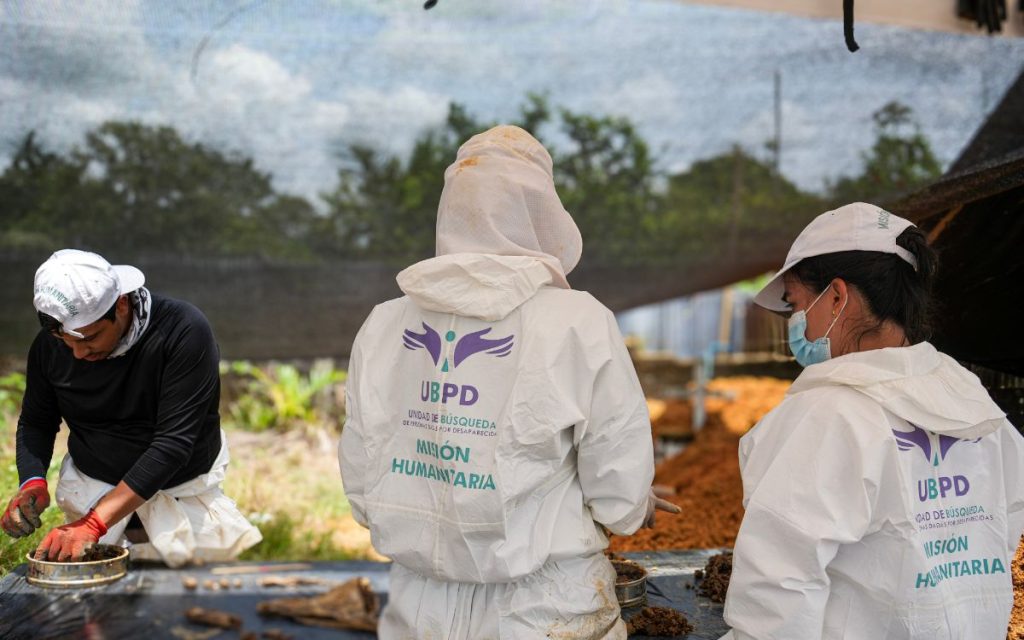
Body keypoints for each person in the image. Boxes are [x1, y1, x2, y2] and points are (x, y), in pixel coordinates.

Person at [339, 125, 678, 639]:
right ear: (541, 213)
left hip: (420, 608)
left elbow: (363, 473)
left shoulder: (385, 324)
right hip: (545, 609)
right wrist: (632, 505)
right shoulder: (578, 322)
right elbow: (617, 485)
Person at [719, 203, 1024, 639]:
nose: (796, 325)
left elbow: (777, 589)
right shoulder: (974, 402)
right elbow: (1003, 529)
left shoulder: (825, 415)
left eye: (796, 304)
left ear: (837, 297)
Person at [1, 249, 261, 566]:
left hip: (177, 491)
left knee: (187, 589)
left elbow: (173, 444)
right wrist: (32, 481)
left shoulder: (182, 331)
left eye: (89, 338)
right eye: (66, 342)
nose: (79, 353)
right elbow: (37, 422)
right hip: (93, 487)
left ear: (121, 303)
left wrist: (93, 524)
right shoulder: (50, 346)